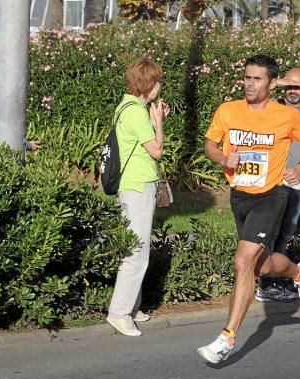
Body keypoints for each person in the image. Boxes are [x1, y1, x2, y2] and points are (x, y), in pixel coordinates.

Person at [198, 55, 300, 364]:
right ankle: (299, 272)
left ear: (272, 82)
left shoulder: (285, 116)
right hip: (239, 196)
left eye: (257, 79)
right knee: (260, 266)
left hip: (270, 196)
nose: (250, 84)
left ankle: (227, 338)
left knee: (243, 262)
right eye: (247, 78)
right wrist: (222, 158)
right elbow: (210, 144)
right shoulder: (228, 110)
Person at [106, 58, 170, 337]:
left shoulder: (127, 106)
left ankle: (132, 306)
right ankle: (119, 312)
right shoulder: (136, 112)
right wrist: (158, 122)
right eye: (158, 81)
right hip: (137, 187)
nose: (159, 86)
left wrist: (155, 118)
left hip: (134, 186)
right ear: (149, 84)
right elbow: (157, 150)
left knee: (137, 245)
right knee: (137, 251)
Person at [255, 67, 300, 303]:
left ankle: (274, 283)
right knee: (270, 235)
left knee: (285, 236)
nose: (293, 91)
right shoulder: (272, 107)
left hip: (299, 185)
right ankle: (265, 285)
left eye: (298, 86)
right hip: (275, 183)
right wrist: (272, 85)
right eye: (289, 86)